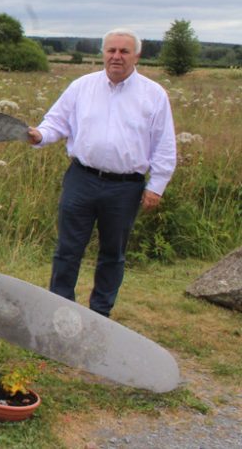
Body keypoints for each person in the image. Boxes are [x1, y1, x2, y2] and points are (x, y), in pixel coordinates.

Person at [27, 28, 176, 317]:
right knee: (68, 249)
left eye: (124, 51)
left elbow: (164, 143)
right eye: (111, 51)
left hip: (125, 186)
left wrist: (157, 185)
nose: (116, 57)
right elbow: (56, 123)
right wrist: (39, 135)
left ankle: (100, 315)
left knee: (112, 254)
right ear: (103, 53)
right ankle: (60, 311)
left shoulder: (154, 95)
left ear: (137, 56)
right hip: (81, 179)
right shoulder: (81, 86)